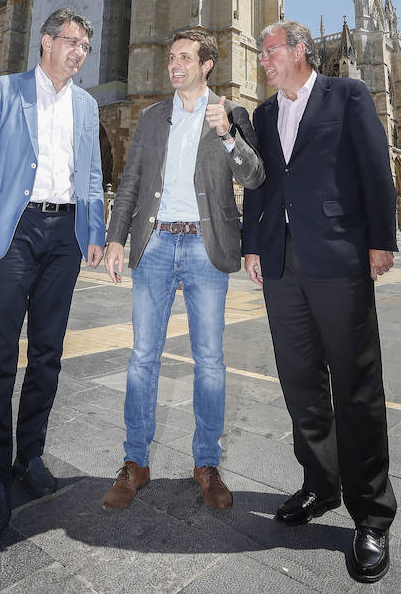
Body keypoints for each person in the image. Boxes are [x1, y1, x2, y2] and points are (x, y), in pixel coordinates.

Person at [243, 20, 397, 584]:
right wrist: (253, 247)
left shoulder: (347, 95)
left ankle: (372, 515)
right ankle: (321, 484)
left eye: (270, 49)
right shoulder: (262, 114)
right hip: (282, 267)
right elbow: (260, 183)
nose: (263, 58)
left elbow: (375, 167)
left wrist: (381, 240)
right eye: (261, 51)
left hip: (338, 260)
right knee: (301, 383)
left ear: (300, 51)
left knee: (356, 387)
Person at [103, 30, 264, 512]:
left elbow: (255, 176)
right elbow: (130, 181)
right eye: (171, 57)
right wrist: (116, 238)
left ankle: (206, 465)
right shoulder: (153, 117)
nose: (174, 64)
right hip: (153, 245)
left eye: (184, 58)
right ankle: (135, 462)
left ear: (207, 64)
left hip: (204, 246)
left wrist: (227, 135)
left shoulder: (232, 113)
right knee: (142, 358)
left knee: (210, 361)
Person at [0, 7, 105, 535]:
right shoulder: (5, 90)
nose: (79, 53)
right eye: (71, 42)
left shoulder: (86, 106)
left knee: (48, 353)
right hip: (14, 232)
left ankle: (31, 456)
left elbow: (91, 170)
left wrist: (95, 231)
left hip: (64, 236)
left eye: (85, 47)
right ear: (45, 42)